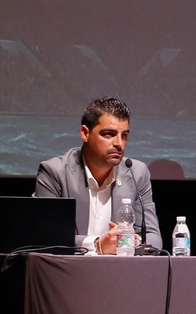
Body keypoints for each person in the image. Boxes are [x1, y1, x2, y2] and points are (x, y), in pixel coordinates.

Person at [35, 97, 162, 254]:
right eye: (109, 134)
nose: (119, 143)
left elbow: (153, 238)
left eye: (124, 136)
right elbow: (44, 237)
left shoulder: (136, 173)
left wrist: (129, 241)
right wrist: (98, 244)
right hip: (70, 267)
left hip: (120, 267)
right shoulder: (55, 172)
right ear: (85, 133)